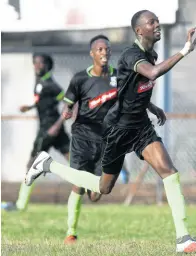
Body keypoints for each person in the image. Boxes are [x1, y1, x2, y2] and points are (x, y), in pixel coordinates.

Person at [25, 10, 196, 253]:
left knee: (169, 172)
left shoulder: (150, 53)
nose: (157, 25)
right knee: (103, 188)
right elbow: (153, 73)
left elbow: (130, 90)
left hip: (141, 127)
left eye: (157, 20)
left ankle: (184, 239)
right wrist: (184, 50)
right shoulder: (131, 55)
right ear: (139, 30)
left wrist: (152, 107)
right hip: (119, 129)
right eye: (152, 22)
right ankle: (47, 164)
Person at [62, 35, 166, 244]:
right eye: (99, 49)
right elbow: (68, 103)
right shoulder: (80, 79)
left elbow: (131, 97)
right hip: (83, 137)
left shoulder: (118, 76)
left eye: (107, 49)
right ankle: (70, 233)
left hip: (108, 137)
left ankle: (89, 181)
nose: (104, 52)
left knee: (99, 192)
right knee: (77, 185)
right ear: (92, 53)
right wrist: (67, 110)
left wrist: (152, 107)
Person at [2, 53, 70, 212]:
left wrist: (57, 125)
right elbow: (44, 101)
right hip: (48, 128)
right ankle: (89, 187)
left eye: (39, 63)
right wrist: (30, 107)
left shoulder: (51, 84)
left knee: (32, 165)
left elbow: (68, 103)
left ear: (47, 65)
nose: (36, 66)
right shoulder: (39, 81)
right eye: (34, 63)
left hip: (49, 130)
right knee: (73, 161)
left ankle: (20, 204)